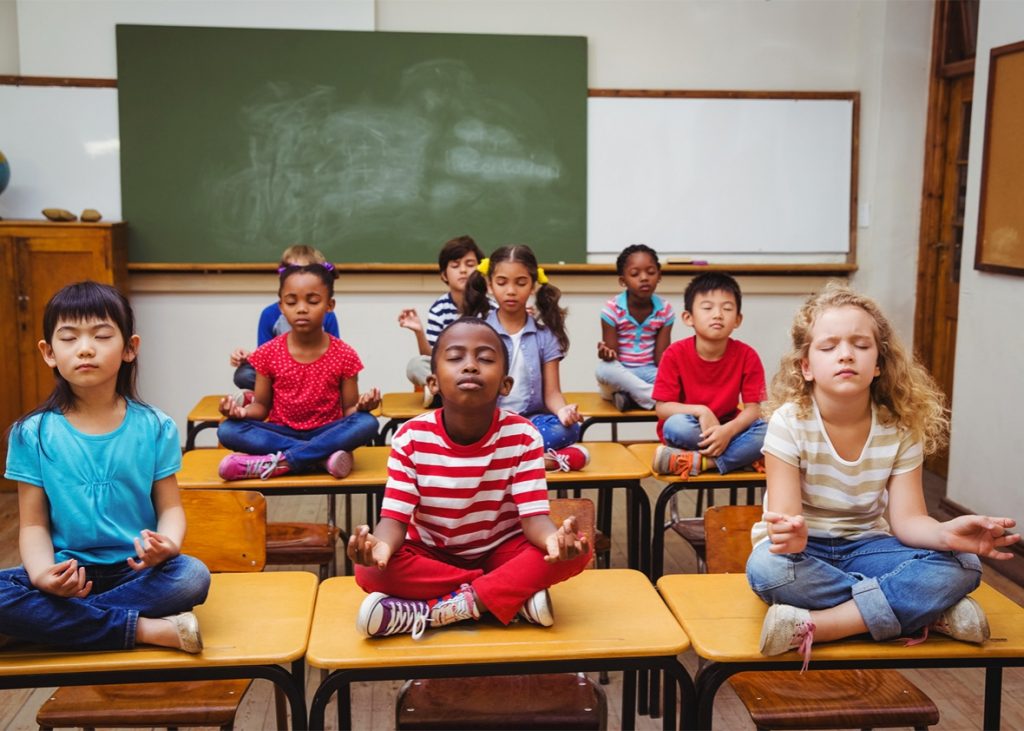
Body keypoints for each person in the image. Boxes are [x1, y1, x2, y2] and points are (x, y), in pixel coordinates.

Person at [746, 282, 1020, 666]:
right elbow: (787, 525)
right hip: (803, 555)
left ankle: (820, 625)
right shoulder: (788, 423)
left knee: (964, 564)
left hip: (867, 547)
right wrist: (791, 535)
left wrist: (946, 532)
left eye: (860, 345)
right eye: (829, 347)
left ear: (878, 364)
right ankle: (925, 612)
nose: (845, 355)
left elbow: (907, 522)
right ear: (805, 366)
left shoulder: (901, 427)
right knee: (767, 570)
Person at [348, 317, 591, 638]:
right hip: (434, 554)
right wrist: (379, 547)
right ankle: (506, 597)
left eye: (486, 358)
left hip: (500, 551)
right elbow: (394, 521)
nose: (471, 366)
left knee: (578, 550)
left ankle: (434, 612)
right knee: (369, 569)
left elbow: (534, 520)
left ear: (506, 384)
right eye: (455, 357)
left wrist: (553, 540)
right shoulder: (410, 437)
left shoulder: (522, 434)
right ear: (433, 383)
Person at [1, 281, 211, 653]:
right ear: (48, 353)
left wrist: (169, 545)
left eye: (101, 335)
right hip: (68, 572)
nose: (85, 348)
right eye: (68, 338)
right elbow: (33, 524)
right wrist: (43, 576)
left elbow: (170, 507)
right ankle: (145, 630)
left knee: (192, 576)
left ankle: (48, 624)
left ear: (130, 348)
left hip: (137, 571)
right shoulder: (31, 433)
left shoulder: (154, 426)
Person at [216, 262, 380, 481]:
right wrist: (241, 412)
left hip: (328, 431)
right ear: (281, 306)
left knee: (367, 423)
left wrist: (362, 406)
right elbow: (262, 407)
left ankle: (282, 462)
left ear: (330, 305)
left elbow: (349, 409)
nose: (301, 308)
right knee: (227, 429)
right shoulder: (268, 353)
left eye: (313, 301)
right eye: (291, 302)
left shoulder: (345, 354)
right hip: (281, 432)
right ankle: (320, 458)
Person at [463, 245, 589, 472]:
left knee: (569, 430)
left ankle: (507, 458)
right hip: (488, 422)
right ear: (490, 285)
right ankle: (545, 461)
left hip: (530, 423)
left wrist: (563, 412)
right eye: (502, 282)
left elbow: (552, 393)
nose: (511, 290)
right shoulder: (478, 331)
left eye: (520, 283)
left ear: (532, 286)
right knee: (465, 430)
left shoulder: (544, 335)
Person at [651, 271, 767, 477]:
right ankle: (740, 457)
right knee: (675, 426)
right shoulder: (674, 354)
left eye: (727, 308)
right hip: (692, 429)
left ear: (738, 319)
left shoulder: (747, 355)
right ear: (688, 318)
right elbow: (662, 409)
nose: (718, 315)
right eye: (707, 308)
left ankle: (701, 462)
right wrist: (701, 411)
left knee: (769, 429)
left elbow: (753, 410)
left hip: (729, 428)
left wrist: (728, 431)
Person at [228, 244, 341, 393]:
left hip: (315, 372)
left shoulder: (326, 315)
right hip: (279, 373)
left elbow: (336, 356)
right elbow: (264, 357)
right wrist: (248, 357)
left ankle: (288, 396)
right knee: (244, 374)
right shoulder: (270, 314)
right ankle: (283, 396)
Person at [399, 235, 486, 407]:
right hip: (451, 370)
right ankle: (452, 393)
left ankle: (444, 394)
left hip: (479, 369)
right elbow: (431, 357)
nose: (463, 270)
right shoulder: (439, 308)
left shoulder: (489, 307)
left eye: (470, 265)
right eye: (455, 265)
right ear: (444, 275)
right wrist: (419, 332)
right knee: (415, 365)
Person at [595, 244, 674, 411]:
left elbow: (661, 359)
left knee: (675, 377)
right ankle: (654, 399)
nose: (644, 278)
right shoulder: (612, 309)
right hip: (620, 372)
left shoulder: (665, 311)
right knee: (604, 369)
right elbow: (612, 356)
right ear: (623, 281)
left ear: (659, 275)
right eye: (635, 274)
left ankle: (629, 399)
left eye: (651, 272)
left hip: (648, 373)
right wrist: (605, 353)